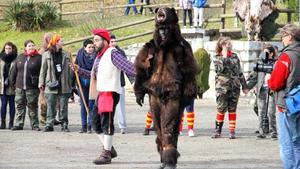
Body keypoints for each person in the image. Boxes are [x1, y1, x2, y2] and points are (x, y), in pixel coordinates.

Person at [134, 7, 198, 169]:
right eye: (160, 29)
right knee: (159, 128)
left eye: (166, 28)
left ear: (173, 28)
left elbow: (190, 72)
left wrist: (189, 91)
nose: (162, 32)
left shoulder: (182, 47)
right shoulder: (150, 47)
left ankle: (169, 161)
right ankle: (166, 157)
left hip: (174, 93)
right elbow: (140, 70)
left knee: (169, 127)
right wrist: (139, 91)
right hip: (154, 93)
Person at [72, 29, 135, 165]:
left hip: (110, 92)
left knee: (107, 123)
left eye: (97, 40)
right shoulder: (99, 56)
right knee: (95, 123)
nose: (94, 43)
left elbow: (130, 68)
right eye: (94, 40)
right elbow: (93, 75)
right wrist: (79, 70)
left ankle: (106, 154)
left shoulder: (113, 53)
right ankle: (109, 149)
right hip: (101, 93)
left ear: (105, 41)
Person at [268, 24, 300, 169]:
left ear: (290, 37)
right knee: (297, 141)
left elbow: (275, 83)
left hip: (287, 104)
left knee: (286, 143)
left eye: (283, 36)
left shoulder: (286, 56)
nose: (282, 39)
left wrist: (269, 81)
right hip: (298, 102)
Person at [212, 37, 249, 139]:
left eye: (230, 44)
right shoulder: (216, 57)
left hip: (234, 87)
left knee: (232, 109)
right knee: (221, 108)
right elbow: (219, 70)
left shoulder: (234, 56)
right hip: (222, 88)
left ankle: (232, 131)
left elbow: (240, 72)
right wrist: (224, 57)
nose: (230, 45)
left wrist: (244, 86)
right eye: (228, 44)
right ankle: (217, 131)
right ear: (222, 45)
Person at [39, 35, 74, 132]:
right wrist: (41, 83)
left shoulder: (67, 54)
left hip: (64, 84)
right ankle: (49, 124)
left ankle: (64, 124)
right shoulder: (46, 55)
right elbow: (43, 70)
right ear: (56, 42)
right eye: (61, 41)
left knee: (63, 106)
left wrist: (73, 69)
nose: (63, 42)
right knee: (51, 105)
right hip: (51, 83)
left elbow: (71, 70)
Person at [247, 44, 277, 139]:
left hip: (272, 90)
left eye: (267, 53)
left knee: (271, 112)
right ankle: (262, 132)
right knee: (261, 112)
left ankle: (274, 132)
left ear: (272, 54)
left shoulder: (276, 63)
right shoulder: (260, 63)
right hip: (261, 89)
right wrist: (247, 87)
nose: (265, 54)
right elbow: (254, 77)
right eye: (263, 52)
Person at [10, 40, 42, 131]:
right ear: (25, 48)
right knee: (19, 106)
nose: (31, 47)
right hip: (19, 87)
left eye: (33, 45)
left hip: (32, 88)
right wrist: (13, 84)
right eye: (29, 46)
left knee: (32, 106)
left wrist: (40, 83)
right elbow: (14, 71)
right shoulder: (20, 57)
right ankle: (18, 124)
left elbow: (42, 72)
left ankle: (35, 125)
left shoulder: (39, 58)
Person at [75, 39, 96, 133]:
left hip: (93, 82)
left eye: (92, 47)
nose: (91, 49)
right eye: (89, 47)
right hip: (82, 82)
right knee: (84, 104)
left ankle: (90, 125)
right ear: (84, 48)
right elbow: (76, 66)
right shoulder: (80, 54)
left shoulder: (97, 55)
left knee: (91, 104)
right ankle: (83, 126)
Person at [110, 35, 128, 134]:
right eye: (111, 41)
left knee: (120, 106)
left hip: (119, 83)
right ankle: (109, 125)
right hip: (108, 84)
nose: (113, 43)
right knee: (108, 106)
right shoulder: (104, 53)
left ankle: (122, 126)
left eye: (114, 41)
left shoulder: (120, 53)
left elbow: (127, 67)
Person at [0, 42, 17, 129]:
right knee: (3, 105)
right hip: (2, 86)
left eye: (9, 48)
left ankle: (11, 123)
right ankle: (2, 123)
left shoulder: (16, 59)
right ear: (4, 49)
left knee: (12, 105)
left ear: (12, 49)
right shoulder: (1, 58)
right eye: (6, 48)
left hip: (12, 86)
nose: (7, 50)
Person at [38, 33, 52, 125]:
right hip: (44, 79)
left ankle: (51, 117)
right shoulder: (42, 51)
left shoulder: (53, 50)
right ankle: (43, 118)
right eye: (49, 38)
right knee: (44, 101)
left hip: (52, 79)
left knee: (53, 100)